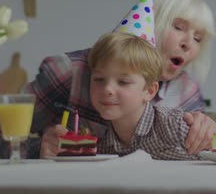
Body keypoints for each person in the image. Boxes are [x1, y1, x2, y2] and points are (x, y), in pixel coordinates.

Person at [0, 0, 216, 159]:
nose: (189, 43)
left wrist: (207, 132)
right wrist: (38, 148)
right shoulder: (69, 72)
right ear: (154, 21)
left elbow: (201, 153)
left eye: (198, 38)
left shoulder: (187, 91)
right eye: (178, 27)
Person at [75, 31, 199, 160]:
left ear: (150, 91)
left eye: (123, 82)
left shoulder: (175, 128)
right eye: (99, 79)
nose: (107, 89)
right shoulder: (101, 145)